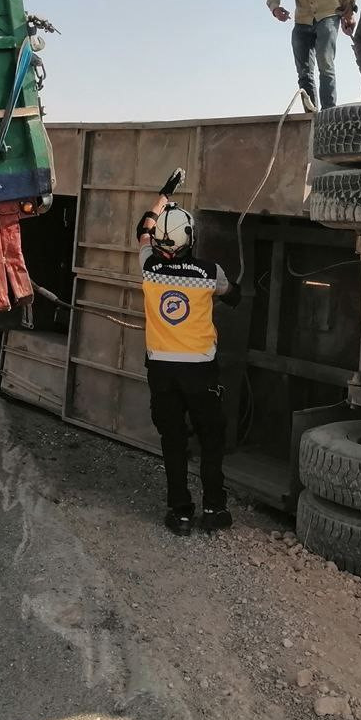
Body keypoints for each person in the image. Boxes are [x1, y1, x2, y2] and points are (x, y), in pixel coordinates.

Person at [135, 168, 241, 536]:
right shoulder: (209, 273)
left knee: (173, 441)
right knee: (211, 440)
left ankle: (180, 513)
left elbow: (143, 230)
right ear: (190, 238)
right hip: (200, 372)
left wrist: (163, 194)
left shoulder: (148, 267)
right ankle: (214, 509)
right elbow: (233, 294)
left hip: (161, 371)